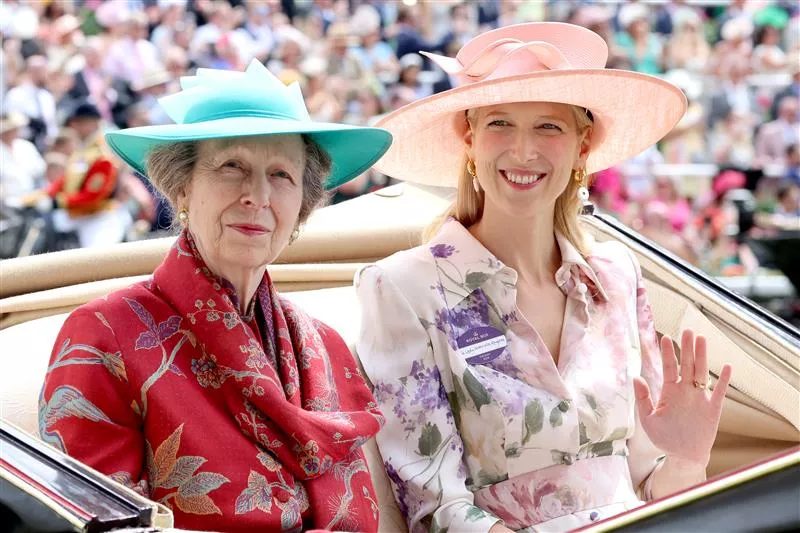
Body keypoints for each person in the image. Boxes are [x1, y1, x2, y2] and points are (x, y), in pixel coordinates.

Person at [355, 23, 732, 532]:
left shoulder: (618, 276)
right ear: (470, 139)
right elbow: (435, 508)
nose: (524, 151)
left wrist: (686, 457)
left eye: (550, 127)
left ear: (583, 146)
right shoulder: (402, 287)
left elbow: (652, 484)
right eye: (500, 124)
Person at [39, 60, 392, 532]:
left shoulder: (326, 347)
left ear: (301, 208)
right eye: (232, 166)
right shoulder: (105, 335)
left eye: (282, 175)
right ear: (182, 187)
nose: (257, 195)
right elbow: (96, 523)